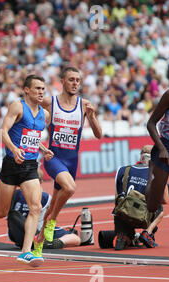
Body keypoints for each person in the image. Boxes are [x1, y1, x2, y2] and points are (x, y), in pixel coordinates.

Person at [0, 75, 54, 266]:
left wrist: (43, 149)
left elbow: (30, 136)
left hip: (30, 166)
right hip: (11, 165)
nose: (41, 92)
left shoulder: (44, 115)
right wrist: (13, 150)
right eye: (37, 88)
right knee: (0, 212)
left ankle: (25, 252)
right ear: (27, 90)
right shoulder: (17, 107)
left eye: (43, 89)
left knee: (36, 207)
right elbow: (3, 131)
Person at [36, 67, 103, 251]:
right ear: (63, 82)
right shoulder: (50, 102)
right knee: (70, 188)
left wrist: (92, 117)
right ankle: (52, 222)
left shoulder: (84, 105)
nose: (75, 83)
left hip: (72, 161)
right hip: (53, 157)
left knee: (54, 202)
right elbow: (30, 107)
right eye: (71, 79)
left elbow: (99, 135)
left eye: (77, 80)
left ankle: (38, 244)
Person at [7, 168, 81, 250]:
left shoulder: (14, 194)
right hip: (36, 233)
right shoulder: (45, 197)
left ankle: (53, 243)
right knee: (75, 237)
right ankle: (57, 241)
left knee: (13, 215)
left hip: (15, 235)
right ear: (41, 182)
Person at [112, 145, 169, 250]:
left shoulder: (123, 170)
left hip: (123, 215)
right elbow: (165, 200)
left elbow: (117, 198)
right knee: (160, 209)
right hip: (143, 217)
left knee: (121, 205)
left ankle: (124, 236)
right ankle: (146, 233)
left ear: (141, 157)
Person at [146, 89, 169, 215]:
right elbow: (151, 124)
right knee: (152, 206)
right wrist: (162, 148)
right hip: (166, 147)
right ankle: (151, 168)